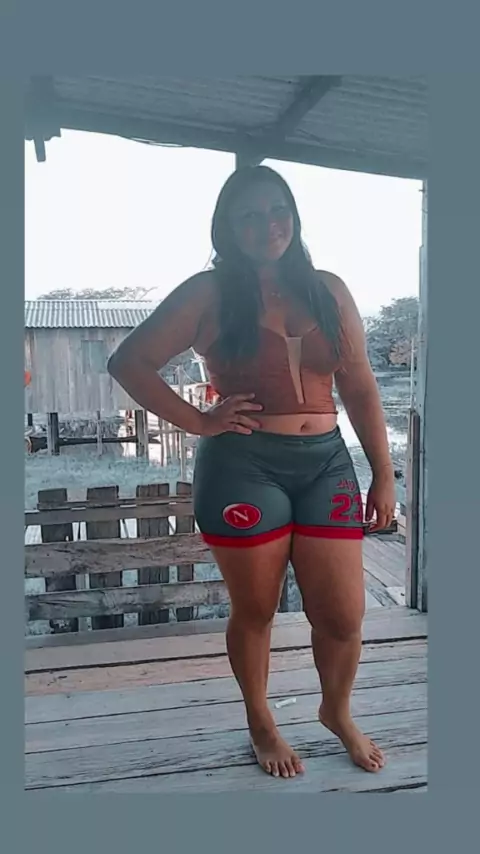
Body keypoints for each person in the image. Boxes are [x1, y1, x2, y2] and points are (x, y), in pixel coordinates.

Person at [108, 165, 396, 780]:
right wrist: (199, 420)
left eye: (278, 211)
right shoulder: (207, 293)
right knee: (257, 609)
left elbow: (360, 386)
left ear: (294, 216)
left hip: (327, 462)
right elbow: (129, 361)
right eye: (250, 216)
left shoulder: (328, 289)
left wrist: (384, 473)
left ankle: (336, 711)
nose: (268, 226)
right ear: (227, 228)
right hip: (244, 465)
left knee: (343, 615)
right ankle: (261, 721)